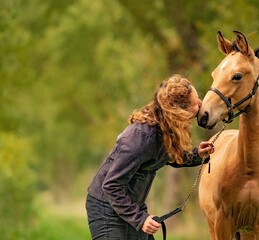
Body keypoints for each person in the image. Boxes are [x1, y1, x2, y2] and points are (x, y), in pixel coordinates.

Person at [86, 74, 215, 240]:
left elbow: (169, 156)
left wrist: (196, 154)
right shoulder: (140, 138)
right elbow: (111, 185)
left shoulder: (163, 130)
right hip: (106, 208)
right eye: (195, 103)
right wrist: (140, 219)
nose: (201, 105)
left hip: (130, 205)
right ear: (178, 112)